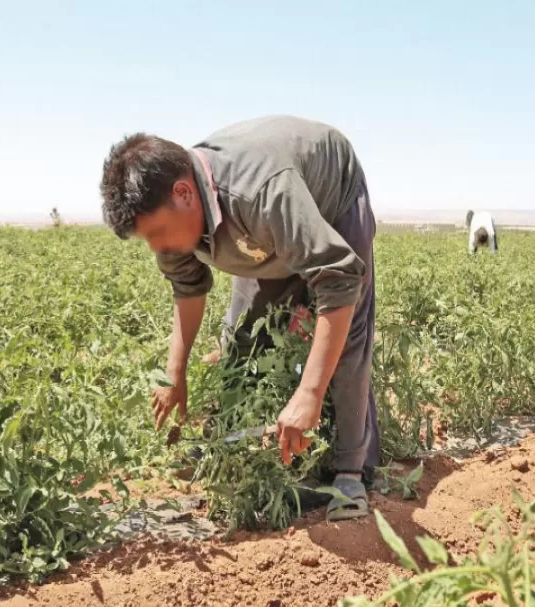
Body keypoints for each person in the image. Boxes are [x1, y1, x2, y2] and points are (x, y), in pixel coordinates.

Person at [99, 116, 379, 521]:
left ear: (184, 193)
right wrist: (174, 374)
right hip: (264, 229)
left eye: (157, 233)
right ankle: (238, 445)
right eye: (149, 239)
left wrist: (309, 393)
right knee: (242, 338)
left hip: (331, 199)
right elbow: (188, 289)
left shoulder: (260, 191)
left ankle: (350, 471)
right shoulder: (175, 215)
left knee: (344, 336)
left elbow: (337, 282)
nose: (157, 247)